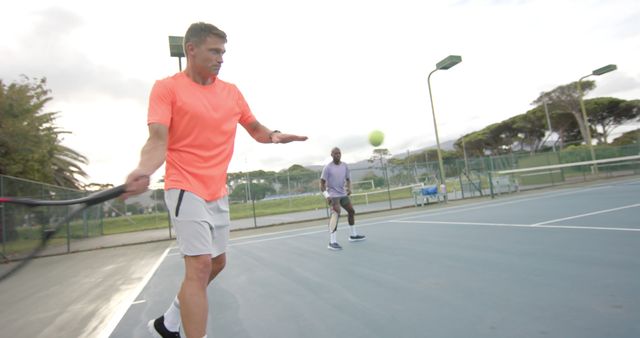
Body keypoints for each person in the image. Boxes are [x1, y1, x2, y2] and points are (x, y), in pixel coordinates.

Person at [124, 22, 307, 338]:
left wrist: (276, 136)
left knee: (217, 263)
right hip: (184, 186)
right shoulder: (166, 88)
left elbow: (255, 129)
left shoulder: (231, 92)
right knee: (198, 267)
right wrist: (144, 169)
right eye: (214, 51)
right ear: (191, 50)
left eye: (222, 52)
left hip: (216, 191)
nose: (220, 58)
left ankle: (168, 323)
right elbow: (157, 139)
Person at [320, 147, 366, 250]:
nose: (338, 155)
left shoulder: (345, 166)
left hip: (342, 194)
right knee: (336, 215)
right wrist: (327, 196)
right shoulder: (327, 168)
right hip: (333, 195)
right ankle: (332, 242)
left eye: (339, 153)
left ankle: (353, 235)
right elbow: (322, 185)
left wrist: (349, 188)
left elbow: (348, 179)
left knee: (351, 211)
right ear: (331, 155)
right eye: (335, 153)